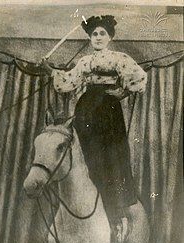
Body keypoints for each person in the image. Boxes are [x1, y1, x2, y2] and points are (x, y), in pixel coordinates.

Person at [41, 15, 147, 226]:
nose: (98, 37)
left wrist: (122, 92)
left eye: (102, 34)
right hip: (87, 109)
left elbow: (139, 78)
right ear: (90, 38)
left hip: (108, 111)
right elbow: (68, 81)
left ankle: (115, 215)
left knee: (111, 158)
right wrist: (49, 70)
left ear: (109, 37)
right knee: (87, 156)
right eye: (94, 34)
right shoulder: (85, 61)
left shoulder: (119, 58)